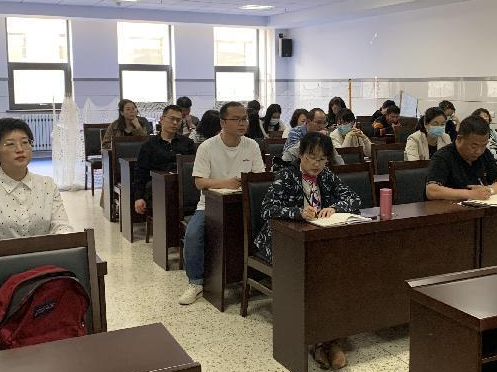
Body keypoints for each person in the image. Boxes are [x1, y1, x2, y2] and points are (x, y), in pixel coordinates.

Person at [254, 132, 360, 370]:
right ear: (300, 155)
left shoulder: (326, 175)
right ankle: (325, 342)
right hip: (280, 240)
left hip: (315, 239)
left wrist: (334, 207)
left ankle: (326, 340)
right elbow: (267, 209)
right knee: (316, 273)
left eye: (322, 159)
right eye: (312, 157)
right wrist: (298, 212)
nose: (317, 164)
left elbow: (354, 199)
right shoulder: (287, 175)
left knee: (339, 270)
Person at [179, 101, 265, 305]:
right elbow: (200, 182)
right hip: (210, 206)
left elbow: (259, 177)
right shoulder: (207, 147)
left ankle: (257, 276)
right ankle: (196, 283)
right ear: (223, 122)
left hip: (243, 204)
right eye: (236, 119)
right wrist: (227, 183)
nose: (242, 123)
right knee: (192, 234)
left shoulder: (252, 145)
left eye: (244, 119)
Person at [0, 118, 74, 257]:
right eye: (10, 144)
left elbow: (63, 227)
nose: (20, 149)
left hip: (44, 263)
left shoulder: (47, 185)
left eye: (25, 142)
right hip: (0, 266)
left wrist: (62, 243)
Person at [425, 115, 497, 202]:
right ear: (459, 139)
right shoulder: (442, 156)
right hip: (449, 208)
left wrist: (488, 191)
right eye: (473, 146)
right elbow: (431, 191)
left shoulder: (485, 153)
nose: (479, 151)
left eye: (483, 145)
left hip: (480, 206)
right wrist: (470, 194)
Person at [133, 105, 195, 216]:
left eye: (178, 120)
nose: (175, 123)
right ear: (162, 119)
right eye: (172, 119)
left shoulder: (188, 143)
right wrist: (138, 197)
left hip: (183, 186)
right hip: (157, 188)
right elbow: (140, 172)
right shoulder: (148, 146)